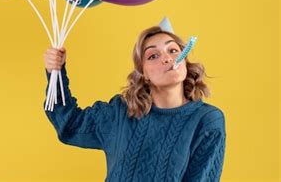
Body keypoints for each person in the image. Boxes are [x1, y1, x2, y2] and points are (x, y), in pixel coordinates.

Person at [43, 25, 226, 181]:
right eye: (153, 56)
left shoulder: (207, 121)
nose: (167, 58)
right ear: (143, 73)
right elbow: (69, 124)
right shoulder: (121, 113)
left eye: (173, 51)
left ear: (184, 61)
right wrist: (55, 72)